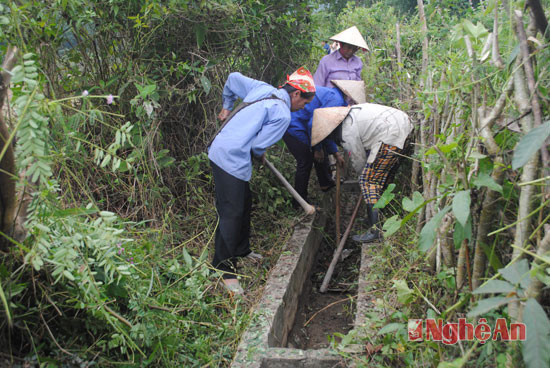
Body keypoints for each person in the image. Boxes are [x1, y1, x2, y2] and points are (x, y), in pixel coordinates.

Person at [209, 67, 316, 294]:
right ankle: (223, 270)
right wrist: (260, 151)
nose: (302, 108)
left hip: (222, 147)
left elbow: (232, 79)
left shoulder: (261, 88)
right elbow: (257, 147)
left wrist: (227, 106)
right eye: (304, 103)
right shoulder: (283, 113)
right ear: (296, 94)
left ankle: (242, 250)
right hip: (230, 158)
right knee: (232, 212)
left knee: (245, 202)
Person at [310, 103, 412, 243]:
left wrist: (363, 180)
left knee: (368, 181)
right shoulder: (352, 114)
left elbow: (359, 160)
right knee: (382, 177)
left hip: (391, 133)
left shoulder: (346, 131)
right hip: (402, 126)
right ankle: (376, 216)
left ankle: (375, 229)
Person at [283, 80, 366, 206]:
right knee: (305, 162)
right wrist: (317, 148)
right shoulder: (336, 101)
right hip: (294, 125)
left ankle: (325, 184)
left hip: (300, 124)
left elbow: (326, 131)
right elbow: (314, 124)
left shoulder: (333, 96)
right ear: (349, 96)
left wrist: (335, 153)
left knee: (318, 154)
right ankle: (299, 203)